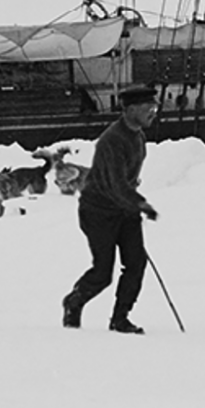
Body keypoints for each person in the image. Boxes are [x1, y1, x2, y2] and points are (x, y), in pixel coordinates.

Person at [61, 86, 161, 335]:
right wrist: (138, 203)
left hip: (124, 209)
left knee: (136, 263)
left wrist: (133, 201)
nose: (153, 112)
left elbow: (126, 180)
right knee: (103, 272)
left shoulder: (138, 136)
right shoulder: (112, 140)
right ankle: (74, 301)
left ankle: (120, 318)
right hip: (99, 212)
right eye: (148, 108)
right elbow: (113, 183)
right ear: (130, 110)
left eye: (154, 107)